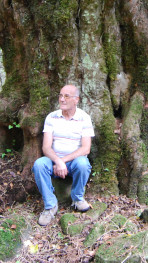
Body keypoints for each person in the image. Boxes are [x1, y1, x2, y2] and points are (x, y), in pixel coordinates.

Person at [32, 84, 94, 226]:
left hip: (73, 162)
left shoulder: (84, 118)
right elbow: (46, 147)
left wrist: (63, 161)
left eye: (66, 96)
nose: (62, 99)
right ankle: (50, 206)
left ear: (76, 99)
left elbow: (86, 149)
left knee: (83, 164)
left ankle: (77, 198)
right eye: (60, 95)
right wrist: (57, 161)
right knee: (39, 164)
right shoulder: (52, 117)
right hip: (53, 161)